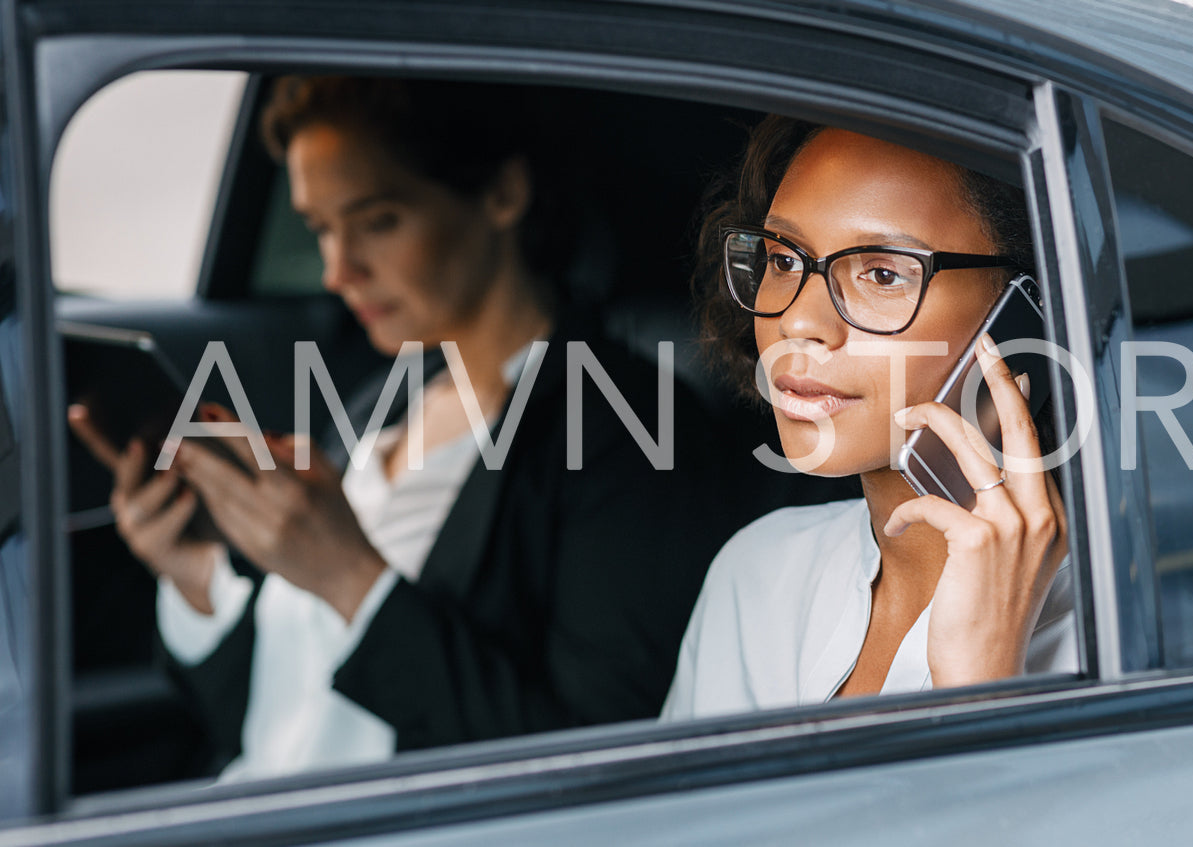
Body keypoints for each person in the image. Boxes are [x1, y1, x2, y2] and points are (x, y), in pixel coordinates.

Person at [68, 76, 742, 779]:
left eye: (378, 220)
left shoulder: (626, 430)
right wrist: (195, 578)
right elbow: (278, 719)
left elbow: (597, 767)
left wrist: (351, 578)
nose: (337, 270)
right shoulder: (379, 401)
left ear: (502, 194)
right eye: (320, 229)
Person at [661, 118, 1078, 719]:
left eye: (882, 274)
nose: (800, 322)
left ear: (1027, 317)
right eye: (782, 259)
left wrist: (985, 689)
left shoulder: (1131, 634)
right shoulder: (759, 576)